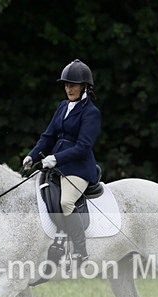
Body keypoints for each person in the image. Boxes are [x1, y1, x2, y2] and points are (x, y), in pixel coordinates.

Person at [22, 59, 101, 265]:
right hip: (55, 165)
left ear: (84, 86)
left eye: (73, 85)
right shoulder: (62, 106)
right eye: (66, 85)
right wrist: (32, 155)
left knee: (66, 202)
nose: (68, 89)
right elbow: (48, 136)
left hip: (79, 167)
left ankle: (80, 251)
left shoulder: (91, 112)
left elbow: (83, 147)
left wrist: (56, 158)